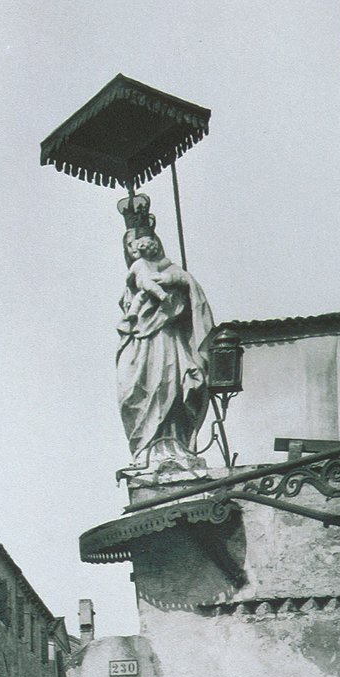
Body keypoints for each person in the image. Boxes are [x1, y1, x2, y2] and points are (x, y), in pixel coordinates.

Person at [115, 193, 214, 475]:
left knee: (170, 388)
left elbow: (193, 305)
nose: (139, 249)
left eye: (144, 242)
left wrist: (180, 280)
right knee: (137, 393)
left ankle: (174, 448)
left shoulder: (174, 272)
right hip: (141, 347)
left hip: (168, 341)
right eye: (132, 245)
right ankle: (147, 450)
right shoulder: (135, 275)